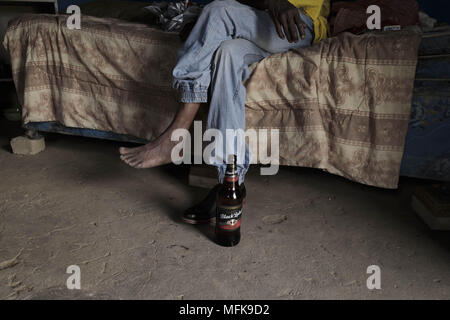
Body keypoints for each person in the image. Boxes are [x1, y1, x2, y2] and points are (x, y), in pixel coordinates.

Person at [119, 0, 330, 223]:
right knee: (226, 53)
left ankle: (176, 133)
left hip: (298, 24)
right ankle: (231, 183)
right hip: (261, 20)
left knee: (218, 12)